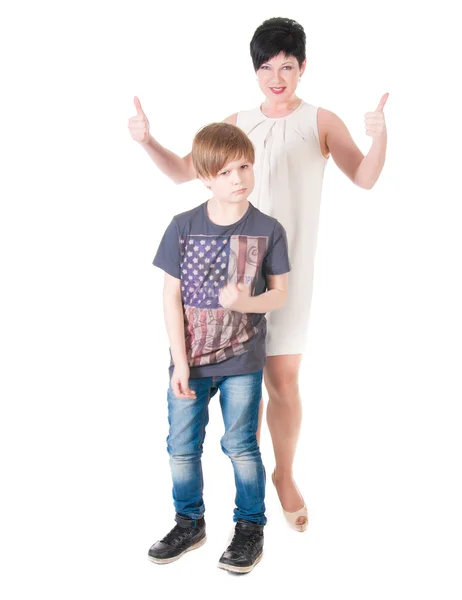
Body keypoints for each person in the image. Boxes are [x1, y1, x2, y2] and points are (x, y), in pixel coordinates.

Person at [129, 17, 388, 532]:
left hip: (287, 267)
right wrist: (146, 141)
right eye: (267, 67)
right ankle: (228, 503)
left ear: (302, 68)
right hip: (227, 273)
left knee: (284, 379)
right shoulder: (238, 120)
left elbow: (363, 177)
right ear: (255, 71)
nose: (278, 76)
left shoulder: (320, 121)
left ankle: (284, 473)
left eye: (287, 67)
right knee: (236, 375)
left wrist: (379, 137)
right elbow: (187, 170)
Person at [148, 123, 290, 573]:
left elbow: (280, 294)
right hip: (190, 361)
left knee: (241, 445)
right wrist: (179, 362)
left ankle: (250, 526)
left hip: (242, 360)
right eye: (226, 171)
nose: (238, 178)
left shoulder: (268, 229)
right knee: (181, 447)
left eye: (244, 166)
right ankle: (189, 522)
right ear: (205, 176)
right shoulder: (182, 227)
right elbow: (170, 296)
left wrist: (246, 301)